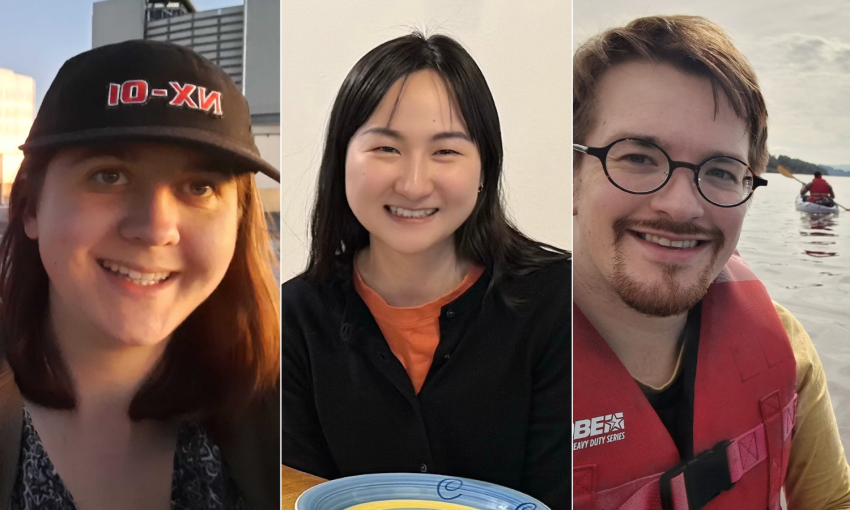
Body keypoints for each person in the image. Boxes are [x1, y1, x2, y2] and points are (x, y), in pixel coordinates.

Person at [280, 33, 570, 508]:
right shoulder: (295, 317)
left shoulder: (558, 301)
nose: (414, 184)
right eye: (386, 149)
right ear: (341, 160)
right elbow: (305, 493)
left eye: (446, 151)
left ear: (485, 170)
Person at [572, 15, 850, 510]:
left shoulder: (787, 347)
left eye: (721, 171)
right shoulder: (491, 364)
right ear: (570, 176)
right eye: (638, 157)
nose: (680, 207)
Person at [0, 40, 281, 510]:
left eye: (200, 187)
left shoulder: (282, 407)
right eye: (108, 176)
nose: (155, 230)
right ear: (31, 207)